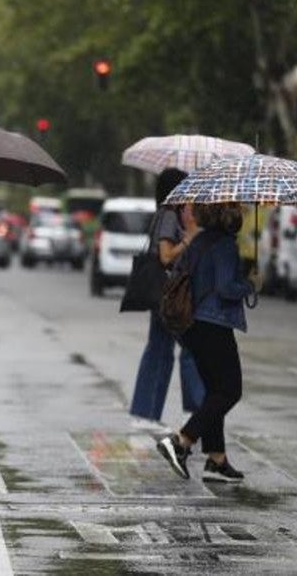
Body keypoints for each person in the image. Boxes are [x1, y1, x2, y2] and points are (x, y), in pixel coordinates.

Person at [156, 202, 257, 484]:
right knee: (229, 391)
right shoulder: (224, 244)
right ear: (228, 215)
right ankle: (181, 440)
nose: (243, 213)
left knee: (215, 391)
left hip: (193, 326)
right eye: (238, 209)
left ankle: (216, 460)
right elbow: (225, 288)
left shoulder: (200, 240)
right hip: (214, 325)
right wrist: (249, 285)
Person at [128, 168, 205, 430]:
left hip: (164, 293)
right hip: (169, 294)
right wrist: (190, 238)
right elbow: (165, 256)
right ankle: (192, 411)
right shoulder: (170, 214)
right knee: (189, 349)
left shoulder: (165, 213)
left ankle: (145, 414)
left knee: (160, 350)